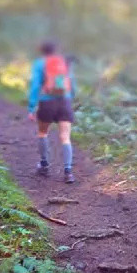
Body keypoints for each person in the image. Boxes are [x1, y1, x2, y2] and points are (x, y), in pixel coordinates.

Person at [28, 41, 76, 183]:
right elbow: (71, 83)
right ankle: (68, 171)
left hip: (47, 102)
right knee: (65, 136)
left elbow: (35, 85)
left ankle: (44, 165)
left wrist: (31, 107)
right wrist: (70, 98)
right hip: (64, 101)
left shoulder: (39, 63)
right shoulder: (63, 62)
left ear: (42, 50)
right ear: (56, 50)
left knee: (43, 132)